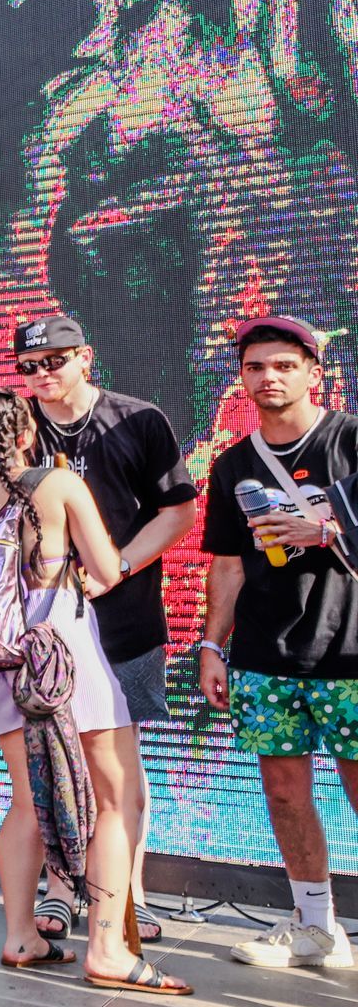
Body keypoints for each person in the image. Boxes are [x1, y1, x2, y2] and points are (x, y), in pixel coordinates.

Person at [0, 390, 190, 993]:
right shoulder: (55, 486)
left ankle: (20, 937)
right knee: (113, 801)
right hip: (61, 657)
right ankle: (108, 948)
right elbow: (109, 571)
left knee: (27, 802)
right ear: (27, 433)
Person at [15, 316, 198, 945]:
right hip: (43, 630)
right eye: (30, 365)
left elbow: (179, 512)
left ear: (86, 356)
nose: (43, 374)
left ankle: (129, 895)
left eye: (56, 360)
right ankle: (63, 888)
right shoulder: (18, 428)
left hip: (125, 621)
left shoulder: (138, 419)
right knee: (50, 761)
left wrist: (117, 568)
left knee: (120, 766)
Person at [199, 316, 358, 970]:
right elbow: (229, 564)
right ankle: (316, 925)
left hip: (351, 654)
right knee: (286, 793)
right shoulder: (232, 463)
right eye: (256, 366)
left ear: (314, 373)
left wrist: (321, 533)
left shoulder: (350, 439)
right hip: (266, 655)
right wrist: (212, 646)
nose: (268, 377)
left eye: (284, 365)